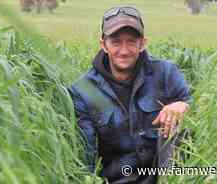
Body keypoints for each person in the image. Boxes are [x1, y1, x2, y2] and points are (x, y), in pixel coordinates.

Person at [69, 6, 191, 184]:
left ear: (142, 43)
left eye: (131, 41)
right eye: (116, 42)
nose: (124, 51)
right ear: (103, 45)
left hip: (167, 179)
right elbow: (85, 157)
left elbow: (202, 115)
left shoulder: (165, 73)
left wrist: (184, 106)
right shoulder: (83, 90)